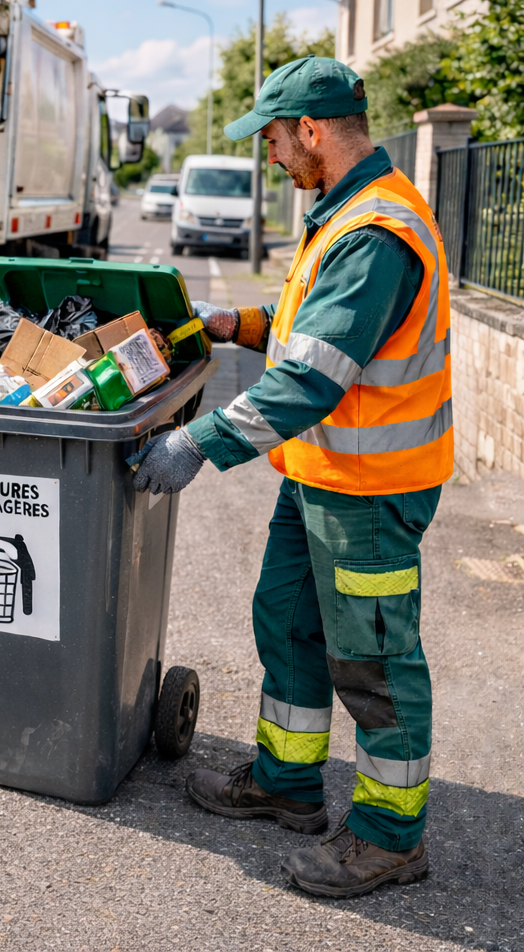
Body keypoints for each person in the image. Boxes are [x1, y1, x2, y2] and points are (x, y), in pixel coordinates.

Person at [130, 56, 449, 898]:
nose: (271, 155)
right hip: (321, 474)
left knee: (373, 664)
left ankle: (389, 837)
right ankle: (287, 783)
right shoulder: (339, 212)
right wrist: (236, 322)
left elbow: (312, 377)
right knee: (290, 626)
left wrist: (199, 442)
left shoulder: (377, 232)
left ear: (311, 131)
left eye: (274, 138)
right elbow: (307, 331)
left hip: (372, 493)